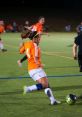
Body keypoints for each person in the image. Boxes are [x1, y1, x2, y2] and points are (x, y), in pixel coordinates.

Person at [19, 31, 61, 105]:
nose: (40, 38)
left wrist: (22, 44)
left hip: (31, 69)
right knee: (45, 85)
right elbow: (35, 58)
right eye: (38, 37)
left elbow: (21, 51)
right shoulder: (35, 45)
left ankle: (53, 100)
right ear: (34, 38)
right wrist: (40, 64)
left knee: (46, 85)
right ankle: (28, 89)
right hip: (36, 68)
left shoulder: (27, 44)